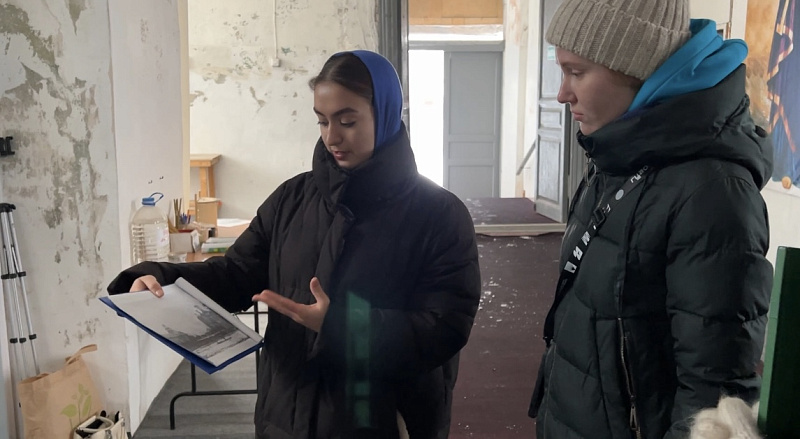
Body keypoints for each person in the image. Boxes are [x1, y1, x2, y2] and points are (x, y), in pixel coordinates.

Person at [108, 50, 481, 439]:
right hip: (286, 417)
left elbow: (445, 327)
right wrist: (161, 277)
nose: (332, 137)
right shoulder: (291, 199)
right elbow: (236, 274)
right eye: (322, 120)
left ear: (386, 115)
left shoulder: (438, 215)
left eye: (348, 121)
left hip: (381, 421)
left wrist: (342, 327)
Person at [528, 1, 774, 438]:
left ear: (635, 68)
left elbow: (712, 396)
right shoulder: (617, 153)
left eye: (576, 72)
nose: (563, 93)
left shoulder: (712, 192)